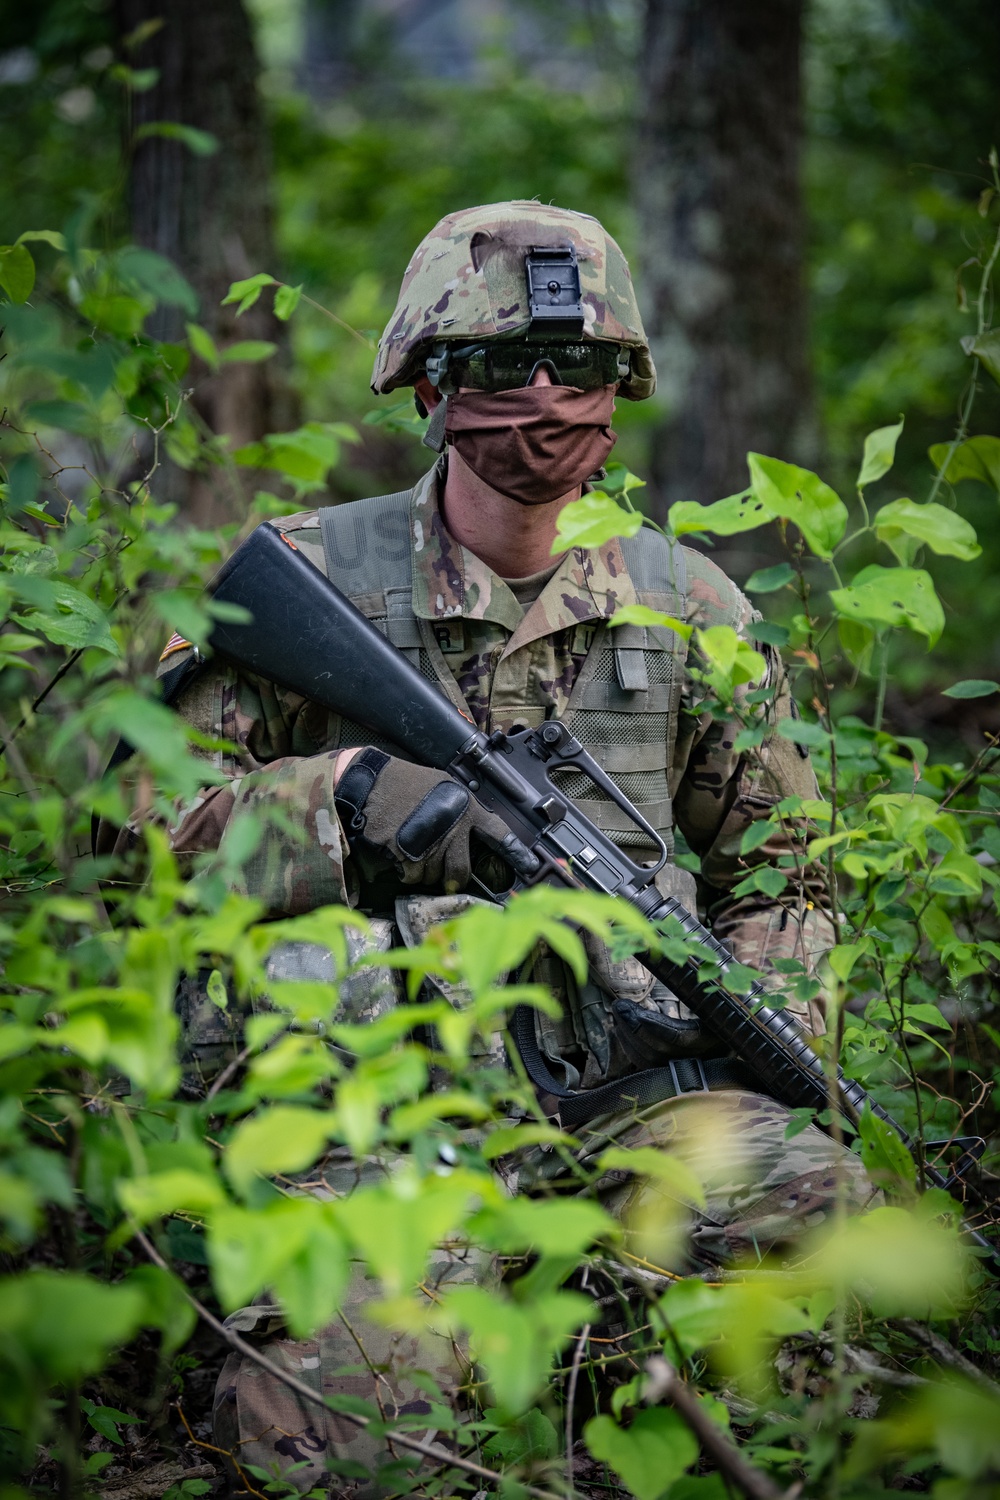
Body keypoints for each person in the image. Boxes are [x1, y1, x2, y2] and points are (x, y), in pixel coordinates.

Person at [103, 201, 878, 1492]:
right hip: (369, 1119)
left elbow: (790, 872)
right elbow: (131, 838)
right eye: (498, 367)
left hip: (642, 1100)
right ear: (427, 387)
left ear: (620, 389)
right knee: (346, 1417)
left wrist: (761, 1028)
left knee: (826, 1227)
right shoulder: (308, 583)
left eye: (576, 370)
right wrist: (346, 797)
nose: (543, 399)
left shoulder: (686, 608)